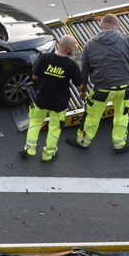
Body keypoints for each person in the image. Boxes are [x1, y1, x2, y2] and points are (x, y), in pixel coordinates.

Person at [67, 14, 129, 153]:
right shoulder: (126, 39)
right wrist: (127, 73)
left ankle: (83, 142)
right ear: (115, 25)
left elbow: (85, 70)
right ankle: (119, 145)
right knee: (122, 115)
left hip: (102, 89)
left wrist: (83, 90)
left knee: (92, 115)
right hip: (125, 88)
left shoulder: (90, 43)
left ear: (102, 26)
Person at [22, 34, 83, 162]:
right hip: (59, 103)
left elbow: (35, 76)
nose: (74, 49)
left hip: (42, 99)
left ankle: (29, 149)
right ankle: (48, 154)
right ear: (67, 48)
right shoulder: (71, 65)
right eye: (73, 47)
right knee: (55, 128)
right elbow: (79, 86)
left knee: (35, 123)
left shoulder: (45, 58)